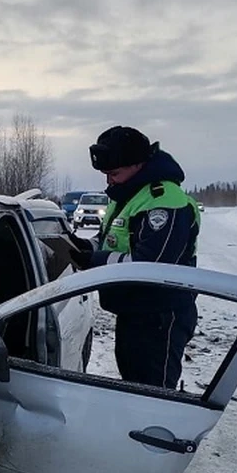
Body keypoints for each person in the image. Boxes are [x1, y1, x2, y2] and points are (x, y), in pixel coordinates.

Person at [70, 126, 200, 391]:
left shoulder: (163, 200)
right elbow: (111, 239)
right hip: (135, 311)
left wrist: (93, 261)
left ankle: (159, 433)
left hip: (160, 316)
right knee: (133, 388)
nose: (109, 181)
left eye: (114, 174)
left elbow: (149, 266)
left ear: (138, 164)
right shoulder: (130, 195)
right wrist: (82, 246)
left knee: (153, 394)